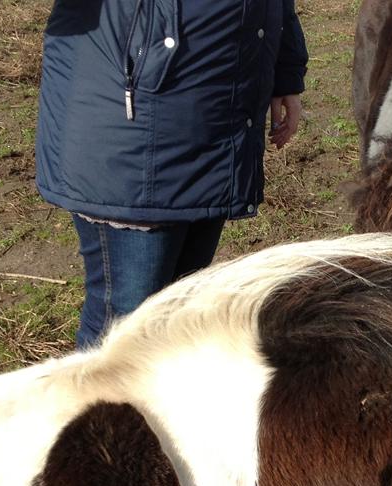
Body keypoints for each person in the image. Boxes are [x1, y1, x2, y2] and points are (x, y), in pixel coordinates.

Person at [35, 0, 308, 349]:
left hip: (217, 122)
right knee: (125, 328)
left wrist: (285, 69)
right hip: (131, 128)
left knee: (178, 316)